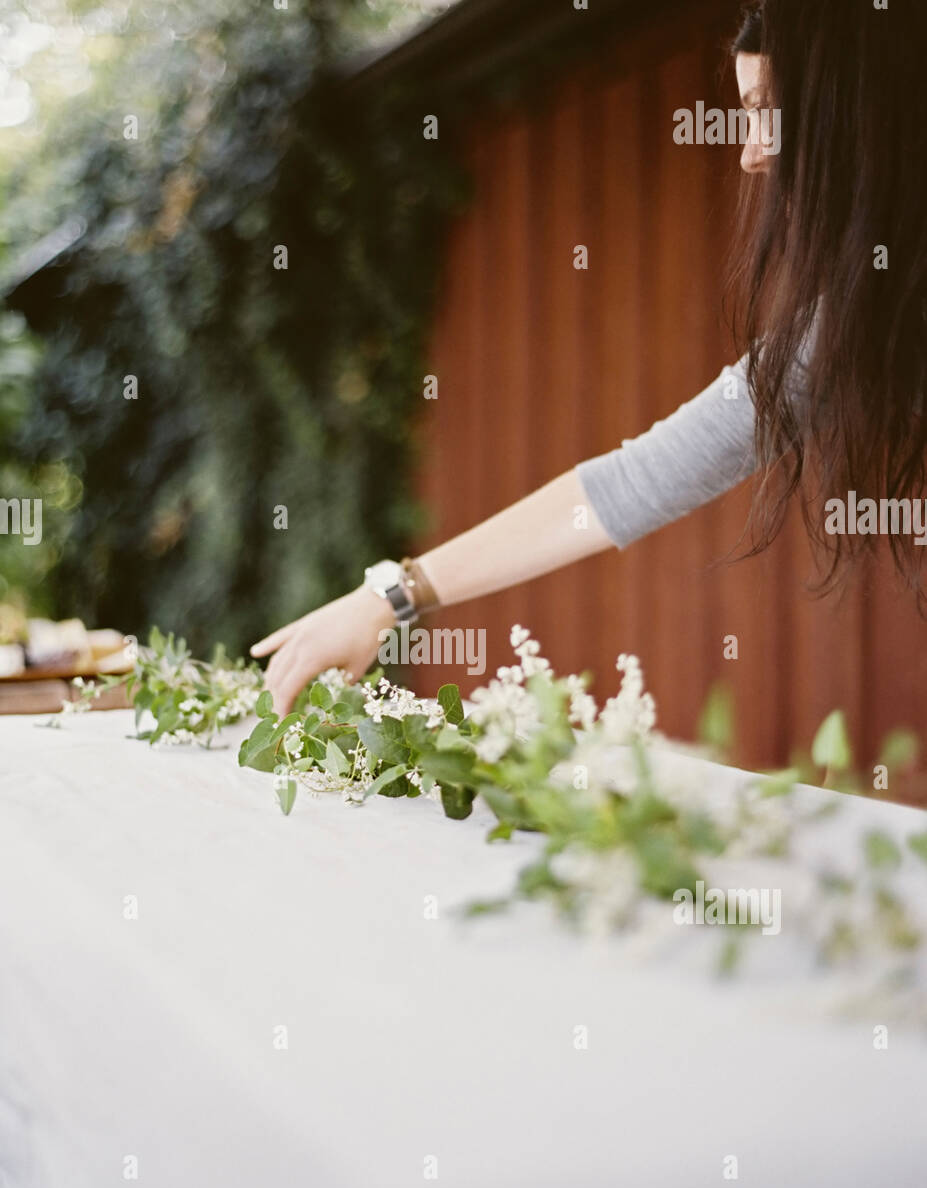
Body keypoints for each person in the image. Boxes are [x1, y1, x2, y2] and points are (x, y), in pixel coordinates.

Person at [252, 0, 926, 715]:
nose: (748, 150)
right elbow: (638, 479)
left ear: (851, 105)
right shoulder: (851, 325)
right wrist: (388, 598)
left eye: (764, 109)